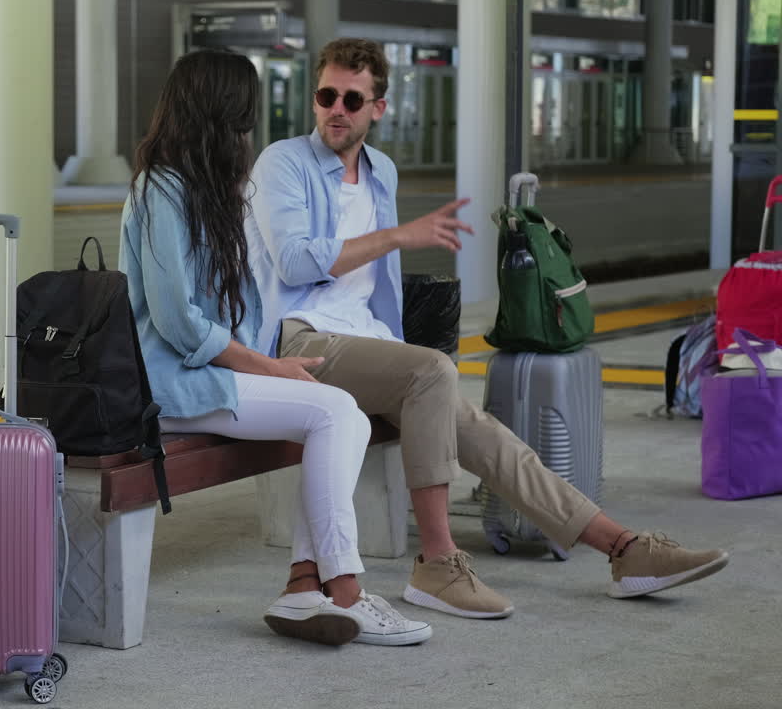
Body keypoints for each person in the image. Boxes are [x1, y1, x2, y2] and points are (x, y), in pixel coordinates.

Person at [246, 37, 729, 620]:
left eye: (353, 99)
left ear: (378, 108)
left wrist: (393, 343)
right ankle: (437, 562)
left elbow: (378, 289)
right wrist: (402, 237)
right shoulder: (284, 162)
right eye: (327, 95)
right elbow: (295, 263)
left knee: (489, 435)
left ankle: (623, 549)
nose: (336, 109)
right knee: (432, 371)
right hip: (300, 341)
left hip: (367, 339)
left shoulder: (381, 173)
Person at [119, 49, 431, 647]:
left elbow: (241, 301)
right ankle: (342, 587)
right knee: (337, 411)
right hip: (169, 382)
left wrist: (269, 359)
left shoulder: (210, 189)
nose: (250, 125)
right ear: (218, 110)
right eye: (244, 111)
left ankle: (301, 590)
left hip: (207, 374)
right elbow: (177, 321)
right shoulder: (161, 188)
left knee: (344, 415)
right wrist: (267, 366)